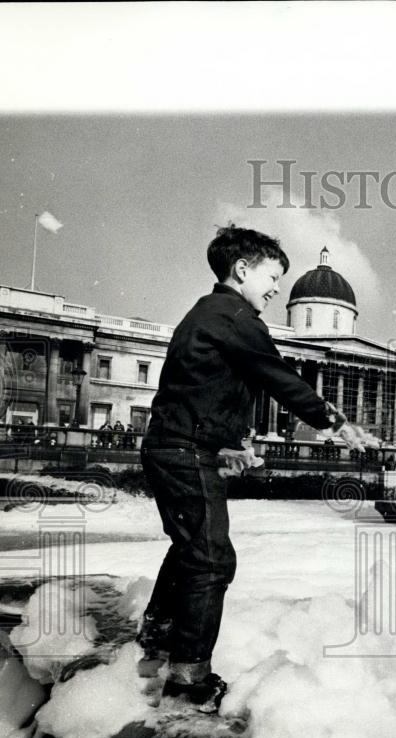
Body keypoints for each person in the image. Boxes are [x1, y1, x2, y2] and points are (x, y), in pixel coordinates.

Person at [138, 225, 368, 711]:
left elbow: (201, 391)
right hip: (184, 452)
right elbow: (278, 375)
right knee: (211, 559)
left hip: (177, 447)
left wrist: (226, 444)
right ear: (242, 270)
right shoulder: (236, 315)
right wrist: (333, 420)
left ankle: (158, 635)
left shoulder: (210, 312)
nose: (277, 289)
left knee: (191, 549)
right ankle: (188, 679)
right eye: (272, 276)